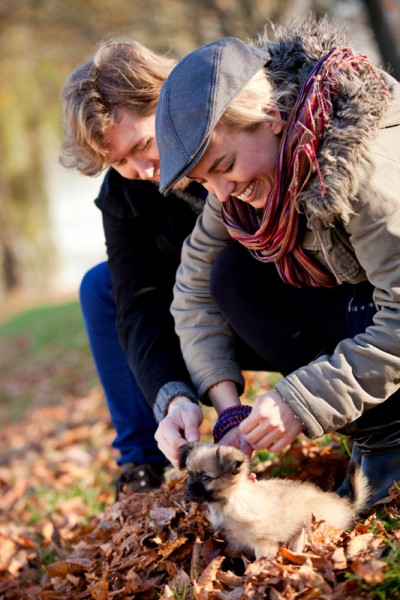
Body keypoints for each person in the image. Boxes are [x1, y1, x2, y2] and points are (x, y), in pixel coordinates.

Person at [154, 16, 400, 504]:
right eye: (205, 183)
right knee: (231, 275)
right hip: (363, 308)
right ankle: (376, 431)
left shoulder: (363, 165)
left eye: (223, 166)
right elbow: (194, 291)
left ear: (271, 114)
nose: (222, 193)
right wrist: (227, 411)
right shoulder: (243, 190)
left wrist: (298, 400)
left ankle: (390, 436)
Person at [60, 38, 207, 497]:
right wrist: (172, 395)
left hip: (271, 299)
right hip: (196, 317)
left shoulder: (228, 134)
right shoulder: (123, 193)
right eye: (118, 160)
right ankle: (142, 461)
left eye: (143, 144)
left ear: (167, 98)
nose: (141, 168)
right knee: (101, 287)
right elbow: (138, 301)